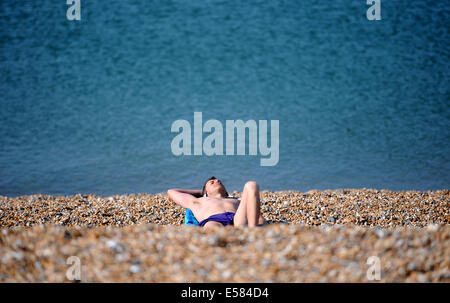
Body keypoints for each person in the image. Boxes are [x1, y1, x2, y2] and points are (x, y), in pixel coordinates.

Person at [167, 177, 266, 229]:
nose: (217, 181)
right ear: (206, 191)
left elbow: (258, 216)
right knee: (213, 232)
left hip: (237, 219)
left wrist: (262, 225)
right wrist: (201, 193)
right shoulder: (198, 201)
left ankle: (253, 233)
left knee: (251, 185)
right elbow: (171, 192)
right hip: (213, 220)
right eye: (212, 182)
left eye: (219, 181)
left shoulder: (238, 200)